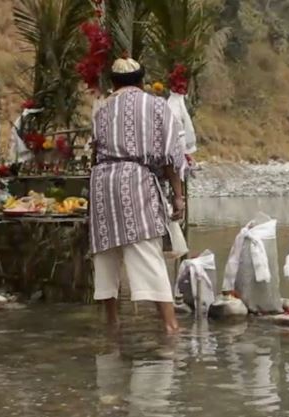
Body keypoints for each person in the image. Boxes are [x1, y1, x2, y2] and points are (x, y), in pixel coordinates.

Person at [90, 57, 187, 333]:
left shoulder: (102, 108)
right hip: (134, 180)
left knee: (106, 254)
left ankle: (112, 326)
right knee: (147, 252)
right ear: (142, 81)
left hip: (102, 184)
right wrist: (177, 196)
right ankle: (170, 326)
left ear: (113, 82)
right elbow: (171, 155)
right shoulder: (156, 105)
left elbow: (94, 150)